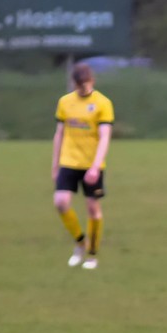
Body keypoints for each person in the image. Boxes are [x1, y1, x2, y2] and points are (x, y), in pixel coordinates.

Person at [52, 63, 114, 270]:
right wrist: (55, 165)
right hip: (69, 161)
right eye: (79, 86)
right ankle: (80, 243)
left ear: (92, 81)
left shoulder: (103, 103)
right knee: (60, 202)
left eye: (85, 85)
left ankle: (92, 255)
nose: (82, 89)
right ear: (73, 83)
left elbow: (104, 136)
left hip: (91, 164)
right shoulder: (65, 102)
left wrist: (95, 167)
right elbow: (59, 134)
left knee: (93, 209)